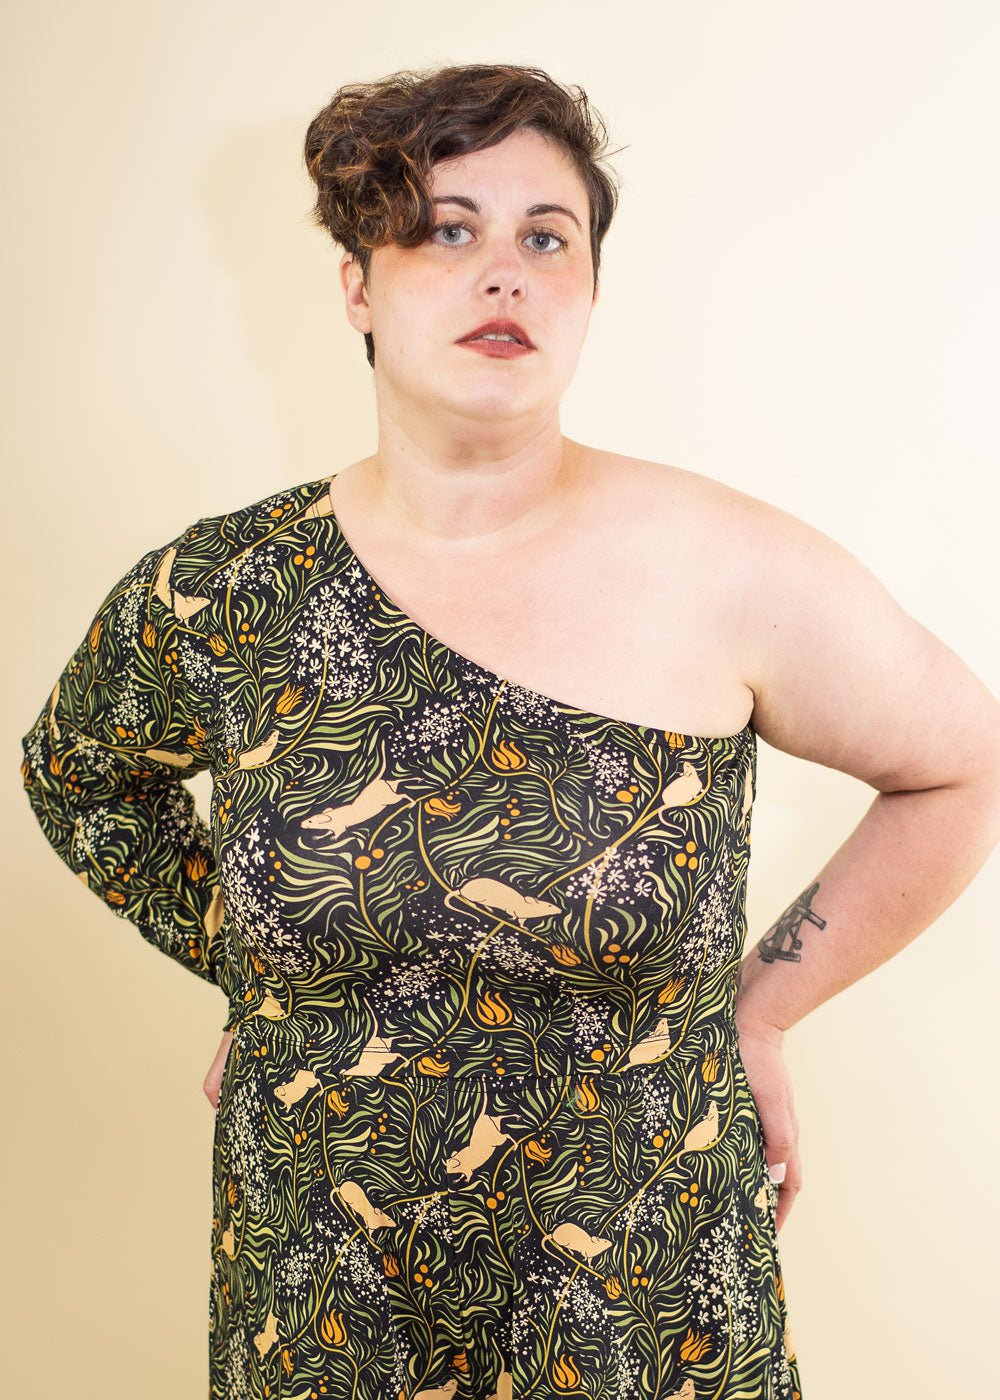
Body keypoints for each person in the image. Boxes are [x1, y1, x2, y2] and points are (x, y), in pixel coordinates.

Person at [19, 61, 1000, 1400]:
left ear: (591, 289)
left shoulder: (726, 569)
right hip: (323, 1311)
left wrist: (763, 1013)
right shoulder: (224, 591)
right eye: (446, 231)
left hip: (640, 1313)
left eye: (548, 238)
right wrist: (264, 973)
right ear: (357, 288)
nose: (505, 274)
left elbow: (962, 764)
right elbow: (78, 777)